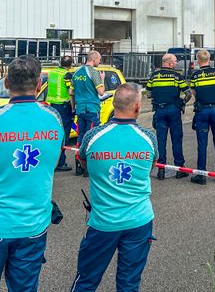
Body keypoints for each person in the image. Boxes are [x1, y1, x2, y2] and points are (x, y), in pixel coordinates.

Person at [0, 55, 63, 292]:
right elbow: (54, 156)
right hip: (33, 225)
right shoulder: (55, 118)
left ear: (6, 83)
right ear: (39, 84)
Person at [70, 83, 157, 292]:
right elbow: (150, 167)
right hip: (139, 220)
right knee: (129, 283)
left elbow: (83, 163)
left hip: (103, 222)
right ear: (137, 107)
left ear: (114, 104)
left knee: (86, 280)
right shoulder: (149, 138)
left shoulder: (93, 136)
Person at [146, 53, 191, 180]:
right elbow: (188, 94)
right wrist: (181, 103)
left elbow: (149, 94)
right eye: (175, 61)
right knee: (176, 139)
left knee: (161, 140)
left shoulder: (154, 76)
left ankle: (161, 170)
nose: (176, 63)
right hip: (173, 110)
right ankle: (179, 168)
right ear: (170, 63)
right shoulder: (177, 76)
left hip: (159, 110)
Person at [189, 49, 215, 185]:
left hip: (202, 111)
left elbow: (194, 92)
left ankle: (201, 175)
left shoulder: (196, 76)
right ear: (209, 59)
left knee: (202, 144)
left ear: (198, 61)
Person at [73, 50, 106, 176]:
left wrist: (73, 107)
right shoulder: (93, 72)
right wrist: (102, 79)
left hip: (80, 109)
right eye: (99, 59)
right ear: (94, 59)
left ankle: (78, 163)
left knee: (81, 136)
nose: (100, 61)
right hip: (92, 108)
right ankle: (88, 166)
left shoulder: (76, 72)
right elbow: (101, 92)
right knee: (92, 137)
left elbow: (71, 92)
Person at [48, 55, 75, 172]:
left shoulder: (52, 72)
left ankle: (51, 160)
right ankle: (61, 162)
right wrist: (73, 108)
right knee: (64, 135)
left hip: (52, 106)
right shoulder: (67, 75)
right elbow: (71, 92)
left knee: (54, 133)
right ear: (71, 65)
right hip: (64, 106)